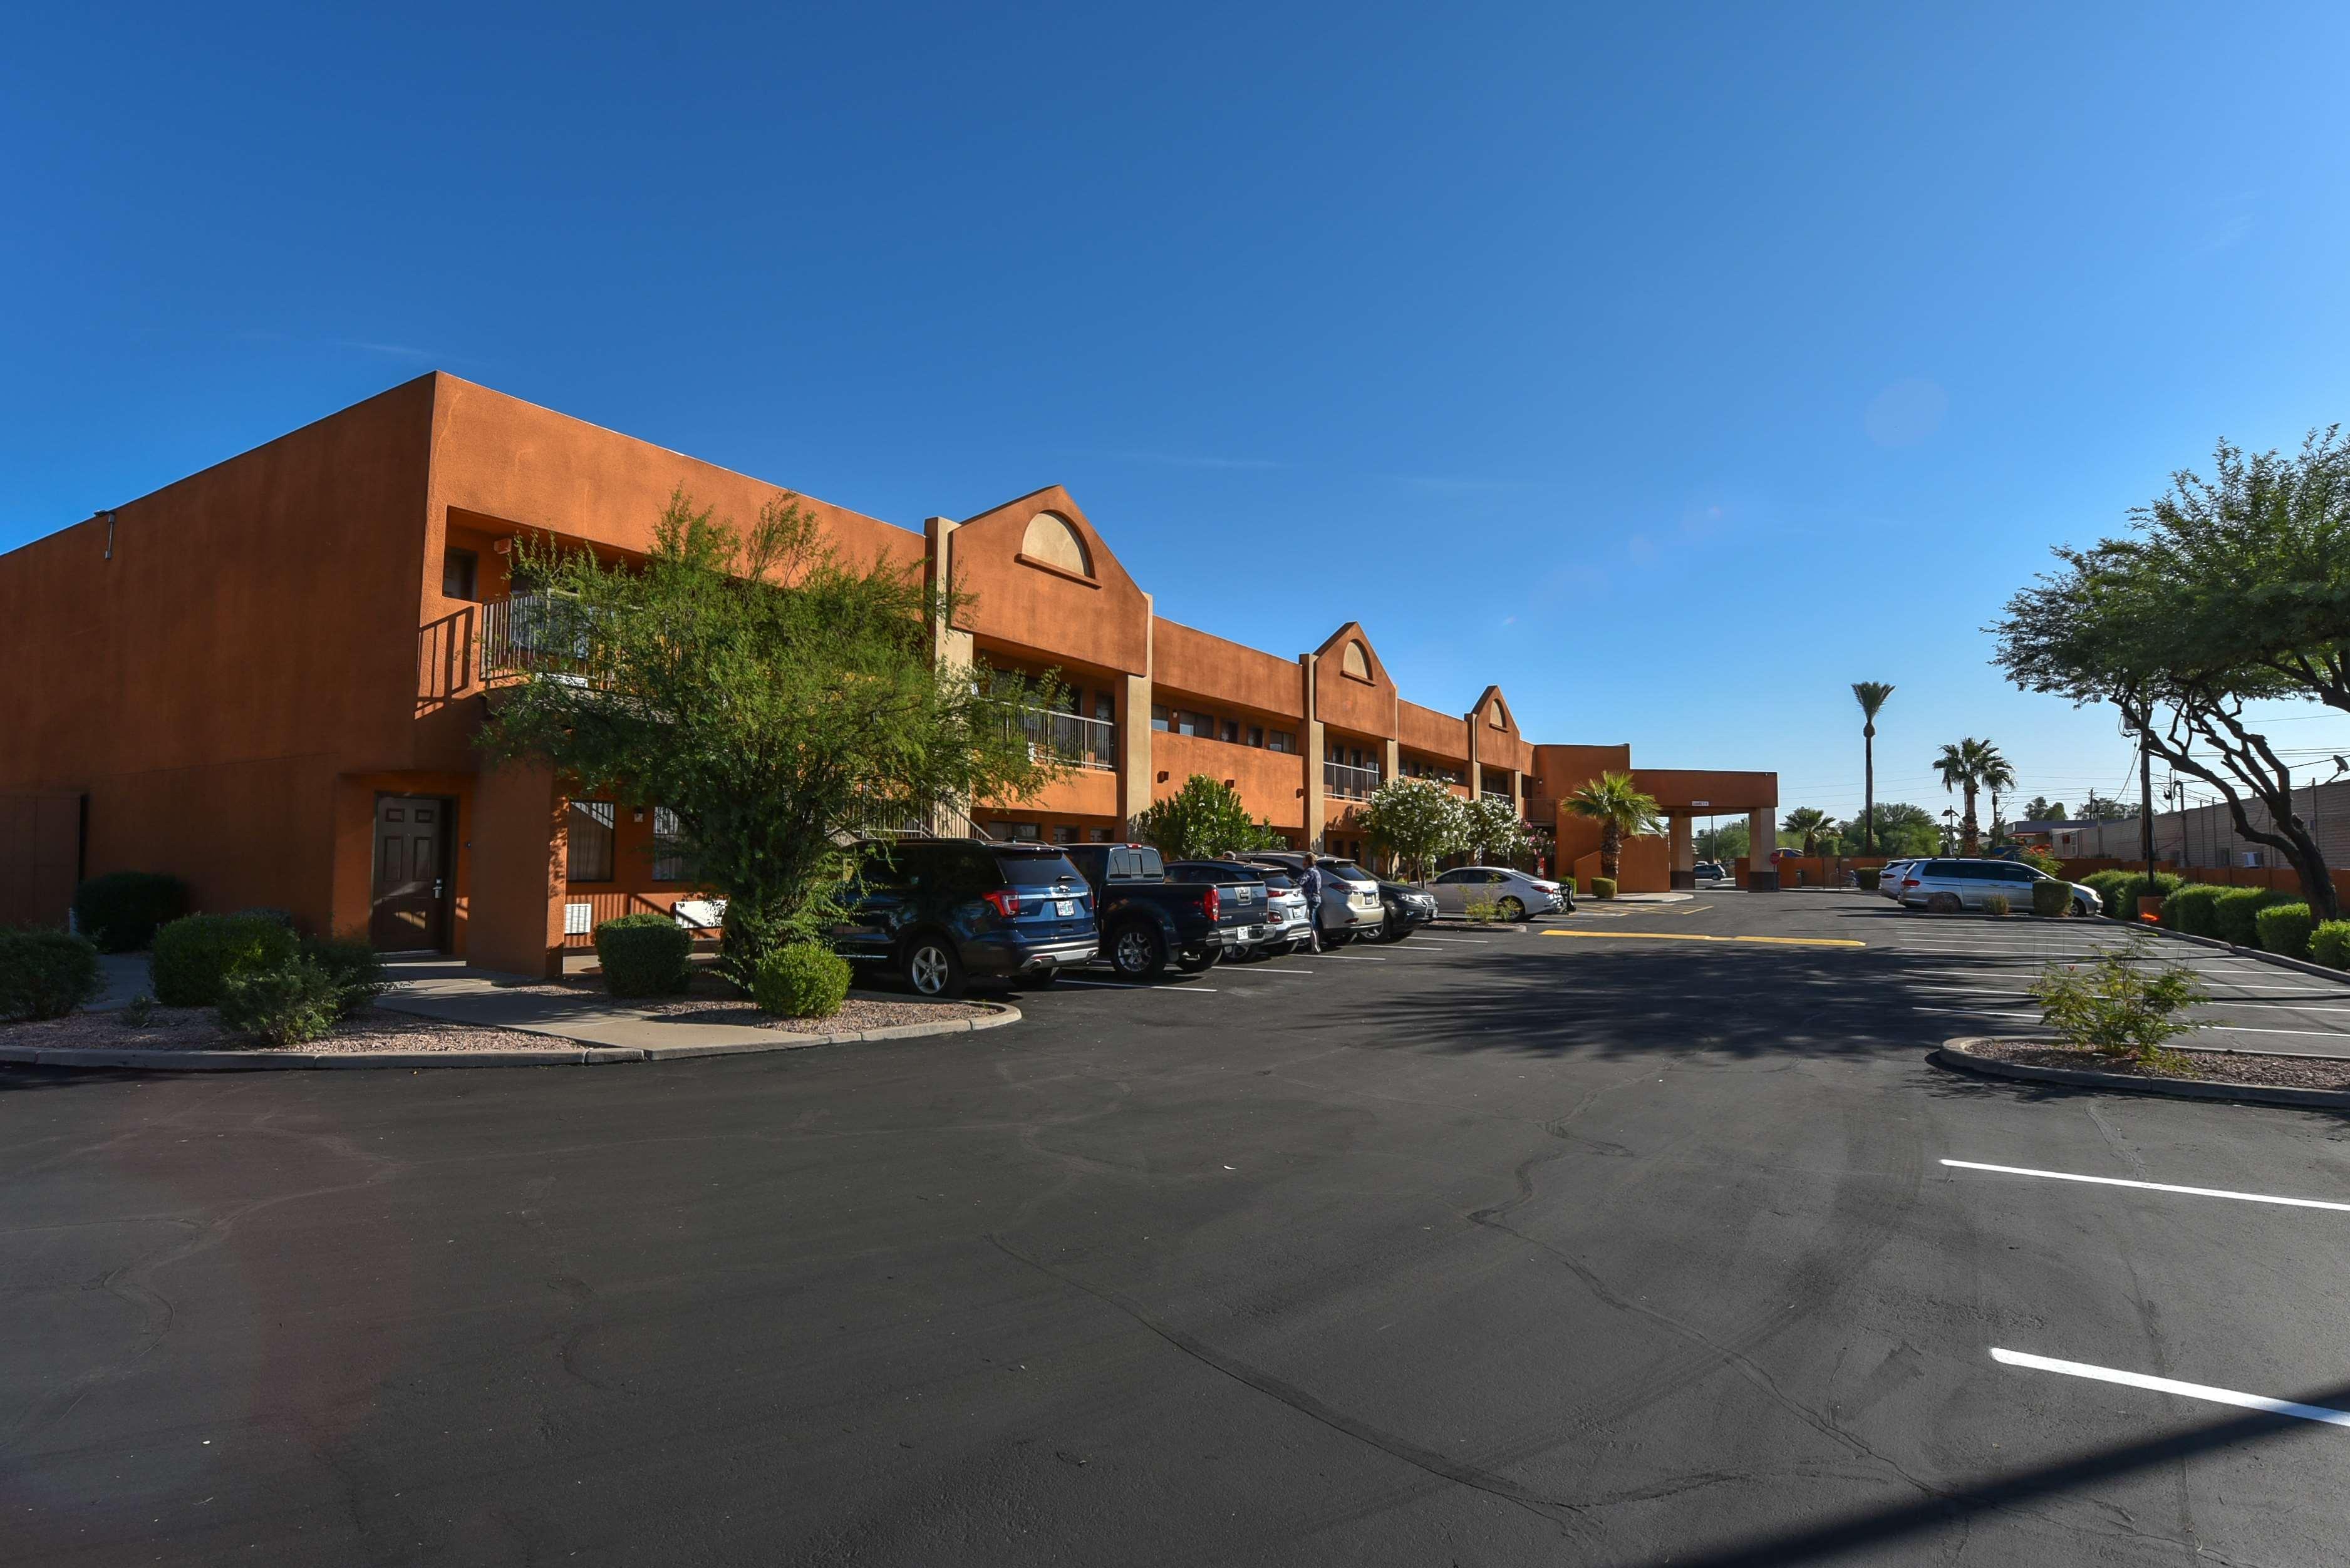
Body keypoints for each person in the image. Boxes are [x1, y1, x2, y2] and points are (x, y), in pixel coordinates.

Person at [1298, 852, 1325, 953]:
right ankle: (1316, 945)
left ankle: (1315, 947)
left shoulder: (1309, 872)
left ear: (1307, 861)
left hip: (1310, 899)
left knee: (1311, 923)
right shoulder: (1317, 872)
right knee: (1315, 922)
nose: (1303, 863)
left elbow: (1301, 881)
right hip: (1317, 899)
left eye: (1304, 860)